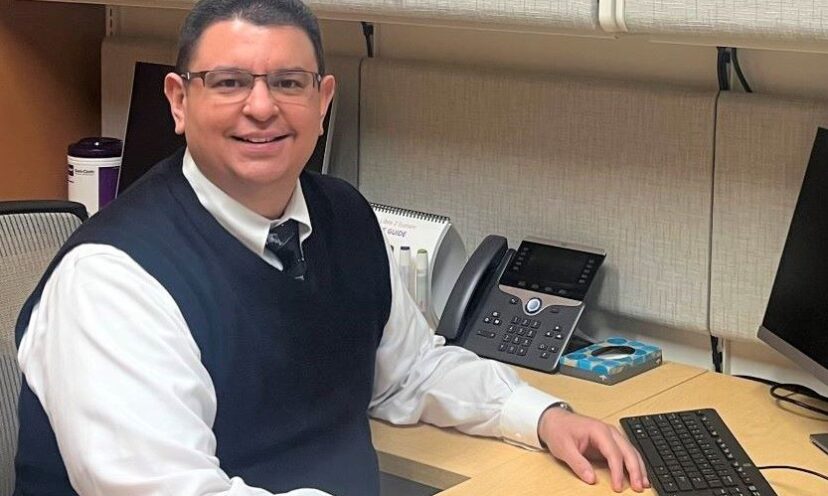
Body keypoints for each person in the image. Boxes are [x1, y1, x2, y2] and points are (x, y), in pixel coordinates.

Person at [14, 1, 650, 495]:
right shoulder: (113, 281)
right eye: (230, 82)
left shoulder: (344, 217)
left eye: (289, 83)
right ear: (180, 102)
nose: (261, 107)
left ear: (322, 102)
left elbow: (410, 371)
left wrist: (543, 417)